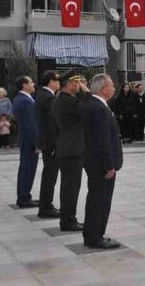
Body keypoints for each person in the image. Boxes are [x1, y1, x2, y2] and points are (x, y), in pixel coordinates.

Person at [81, 74, 122, 249]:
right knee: (100, 200)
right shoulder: (98, 108)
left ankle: (92, 234)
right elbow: (103, 140)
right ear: (104, 89)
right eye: (112, 85)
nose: (114, 88)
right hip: (101, 164)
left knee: (96, 199)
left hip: (94, 161)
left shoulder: (94, 105)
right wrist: (109, 165)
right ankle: (95, 237)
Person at [53, 70, 89, 232]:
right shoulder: (69, 101)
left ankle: (68, 219)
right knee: (71, 188)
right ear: (68, 84)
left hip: (68, 147)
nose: (80, 85)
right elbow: (89, 107)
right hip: (72, 149)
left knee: (69, 186)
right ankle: (68, 221)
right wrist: (86, 92)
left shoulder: (62, 99)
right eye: (77, 82)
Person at [35, 71, 61, 219]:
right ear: (51, 82)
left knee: (49, 175)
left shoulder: (43, 95)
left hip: (47, 142)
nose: (58, 84)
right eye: (57, 81)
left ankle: (46, 205)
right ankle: (45, 208)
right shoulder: (48, 97)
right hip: (50, 143)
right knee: (50, 176)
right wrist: (54, 144)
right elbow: (51, 124)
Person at [13, 76, 39, 208]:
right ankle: (24, 198)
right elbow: (31, 125)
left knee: (24, 169)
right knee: (28, 169)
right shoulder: (25, 101)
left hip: (25, 139)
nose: (33, 84)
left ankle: (23, 196)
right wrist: (37, 142)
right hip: (29, 140)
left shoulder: (21, 98)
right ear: (24, 85)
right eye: (31, 82)